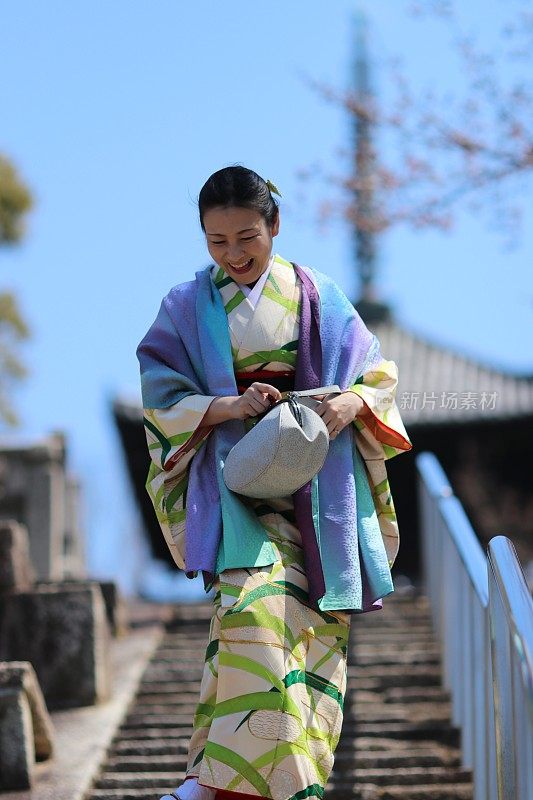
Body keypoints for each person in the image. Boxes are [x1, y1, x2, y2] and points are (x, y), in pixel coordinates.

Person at [136, 166, 412, 800]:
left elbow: (378, 377)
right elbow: (161, 398)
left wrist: (350, 405)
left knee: (313, 641)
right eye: (216, 241)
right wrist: (232, 406)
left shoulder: (319, 296)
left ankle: (222, 787)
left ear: (275, 227)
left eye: (246, 237)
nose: (233, 254)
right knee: (251, 616)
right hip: (238, 492)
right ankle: (238, 788)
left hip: (322, 492)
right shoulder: (184, 306)